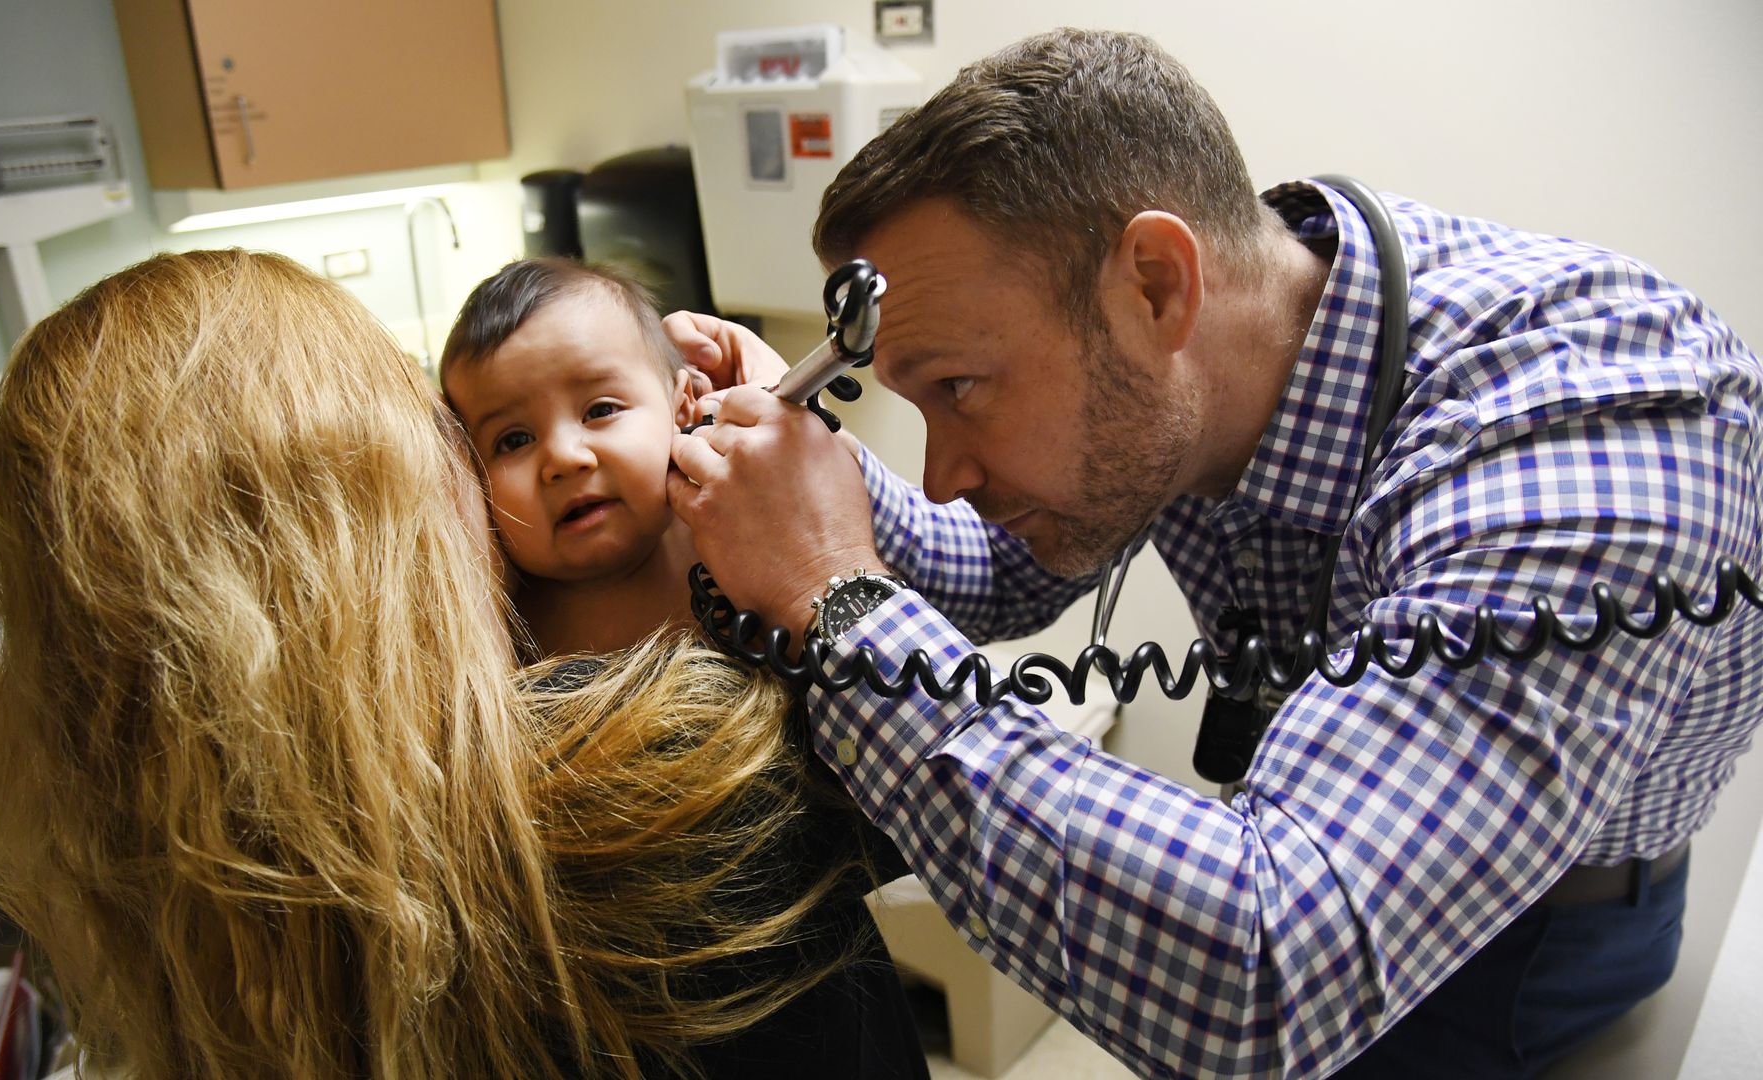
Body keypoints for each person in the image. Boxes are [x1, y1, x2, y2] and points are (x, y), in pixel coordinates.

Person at [663, 27, 1763, 1080]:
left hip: (1537, 937)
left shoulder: (1593, 429)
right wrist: (818, 482)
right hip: (1318, 836)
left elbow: (1273, 974)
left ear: (1156, 283)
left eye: (958, 390)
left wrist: (837, 598)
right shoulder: (1216, 346)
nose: (943, 469)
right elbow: (1005, 574)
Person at [0, 249, 914, 1079]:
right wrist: (830, 552)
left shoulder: (226, 861)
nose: (553, 460)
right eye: (464, 437)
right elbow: (929, 778)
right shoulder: (639, 784)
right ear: (352, 520)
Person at [438, 256, 928, 1077]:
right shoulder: (497, 618)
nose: (562, 457)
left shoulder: (736, 534)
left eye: (599, 409)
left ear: (685, 407)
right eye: (512, 440)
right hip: (623, 1003)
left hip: (806, 958)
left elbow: (867, 666)